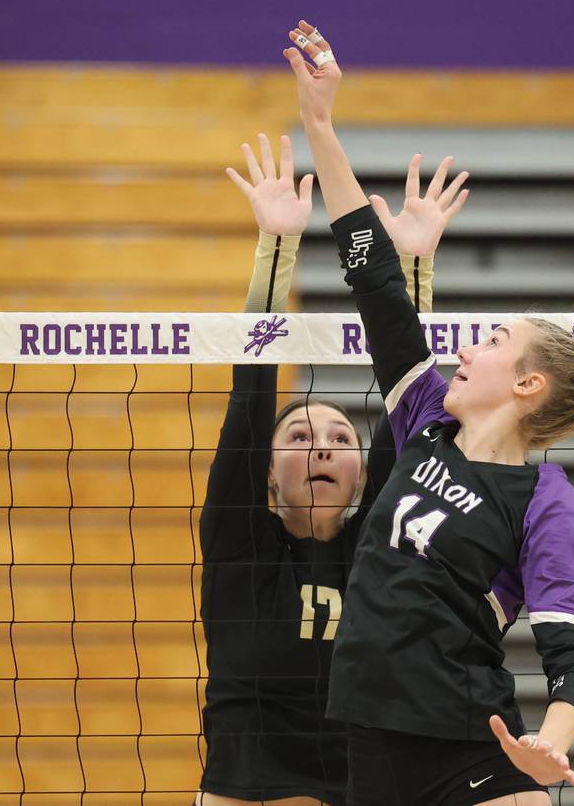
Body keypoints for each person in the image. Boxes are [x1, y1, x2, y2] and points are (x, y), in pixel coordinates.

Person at [283, 20, 574, 806]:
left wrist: (551, 744)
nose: (466, 348)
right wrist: (320, 125)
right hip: (370, 742)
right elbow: (374, 280)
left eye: (491, 341)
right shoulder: (425, 417)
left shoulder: (542, 499)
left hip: (473, 749)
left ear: (527, 386)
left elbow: (570, 653)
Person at [196, 132, 467, 805]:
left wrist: (414, 266)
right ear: (266, 474)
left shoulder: (377, 541)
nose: (321, 447)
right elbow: (250, 399)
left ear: (363, 473)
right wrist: (276, 244)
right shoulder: (239, 543)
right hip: (248, 790)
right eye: (299, 436)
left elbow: (410, 400)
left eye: (340, 437)